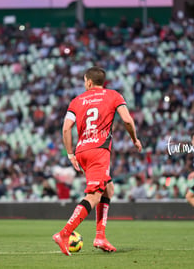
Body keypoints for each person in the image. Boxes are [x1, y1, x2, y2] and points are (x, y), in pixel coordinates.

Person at [53, 67, 142, 256]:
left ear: (89, 82)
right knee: (94, 195)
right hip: (99, 150)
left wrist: (70, 154)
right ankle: (64, 233)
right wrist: (134, 139)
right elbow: (127, 120)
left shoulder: (76, 101)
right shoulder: (113, 96)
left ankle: (100, 236)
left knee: (108, 188)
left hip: (82, 150)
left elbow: (66, 129)